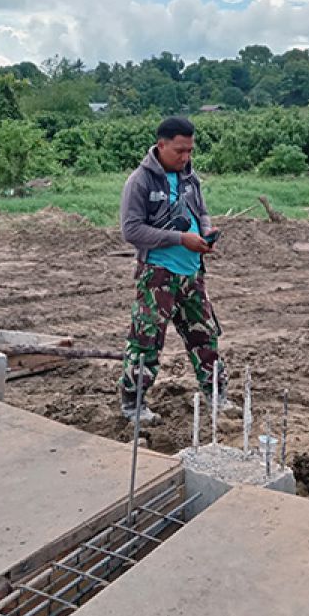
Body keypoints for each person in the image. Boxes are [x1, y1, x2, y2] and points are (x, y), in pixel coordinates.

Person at [118, 116, 225, 424]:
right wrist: (180, 238)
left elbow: (201, 212)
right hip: (158, 276)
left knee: (205, 338)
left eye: (190, 151)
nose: (186, 157)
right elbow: (132, 230)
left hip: (192, 273)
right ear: (161, 145)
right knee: (146, 340)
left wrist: (205, 232)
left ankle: (217, 396)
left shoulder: (191, 179)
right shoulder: (140, 182)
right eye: (179, 151)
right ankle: (133, 405)